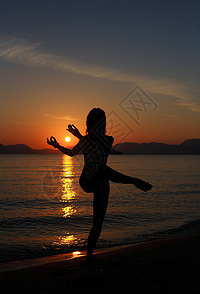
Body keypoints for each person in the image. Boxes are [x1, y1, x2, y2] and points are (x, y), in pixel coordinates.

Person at [47, 108, 153, 260]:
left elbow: (99, 145)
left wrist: (79, 136)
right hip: (87, 180)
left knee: (98, 222)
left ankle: (89, 255)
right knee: (102, 169)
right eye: (94, 122)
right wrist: (57, 145)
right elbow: (71, 153)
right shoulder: (86, 140)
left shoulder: (108, 139)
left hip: (102, 181)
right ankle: (134, 181)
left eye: (99, 122)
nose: (97, 125)